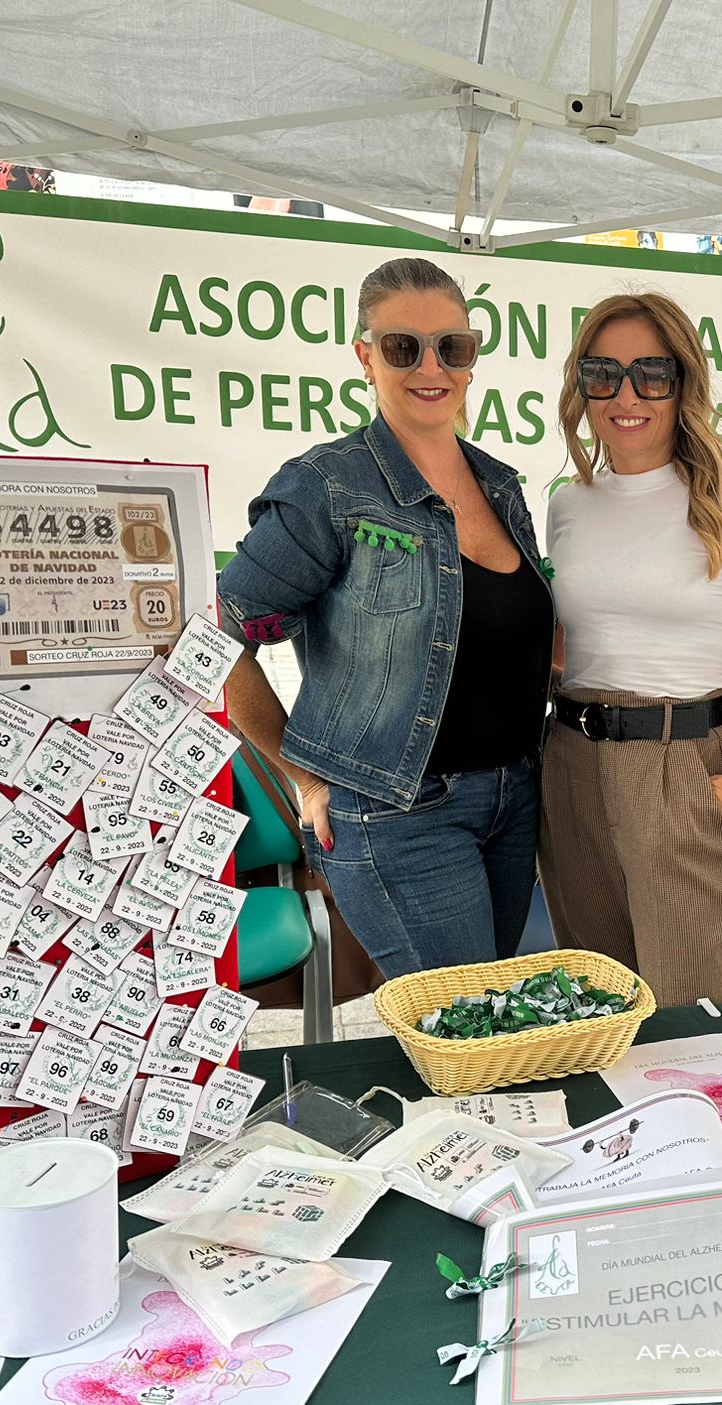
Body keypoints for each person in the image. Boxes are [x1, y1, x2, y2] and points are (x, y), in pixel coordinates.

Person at [216, 256, 554, 978]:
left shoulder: (499, 485)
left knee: (492, 1025)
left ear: (471, 359)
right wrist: (302, 778)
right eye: (404, 347)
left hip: (512, 802)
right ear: (366, 358)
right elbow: (218, 639)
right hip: (400, 816)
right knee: (464, 1036)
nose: (430, 366)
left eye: (451, 347)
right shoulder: (328, 488)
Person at [539, 291, 722, 1007]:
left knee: (683, 1018)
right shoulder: (568, 504)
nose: (625, 394)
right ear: (582, 385)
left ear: (683, 382)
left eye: (650, 373)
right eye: (602, 373)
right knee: (593, 1013)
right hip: (570, 764)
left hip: (684, 766)